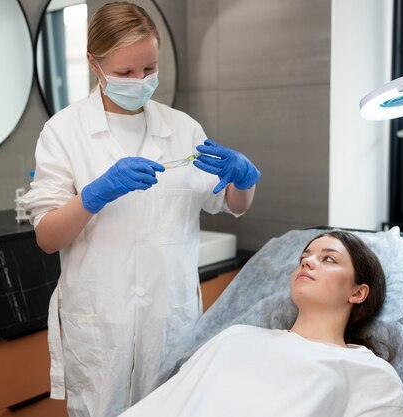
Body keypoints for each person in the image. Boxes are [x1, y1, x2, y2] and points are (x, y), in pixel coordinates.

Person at [21, 2, 260, 417]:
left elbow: (231, 204)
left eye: (149, 69)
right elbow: (48, 236)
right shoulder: (63, 131)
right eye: (126, 73)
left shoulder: (182, 128)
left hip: (168, 320)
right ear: (94, 64)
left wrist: (246, 179)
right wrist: (94, 194)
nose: (140, 81)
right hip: (101, 326)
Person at [117, 231, 403, 417]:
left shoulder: (370, 375)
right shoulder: (234, 339)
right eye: (304, 257)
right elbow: (164, 406)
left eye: (328, 259)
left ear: (358, 292)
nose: (307, 262)